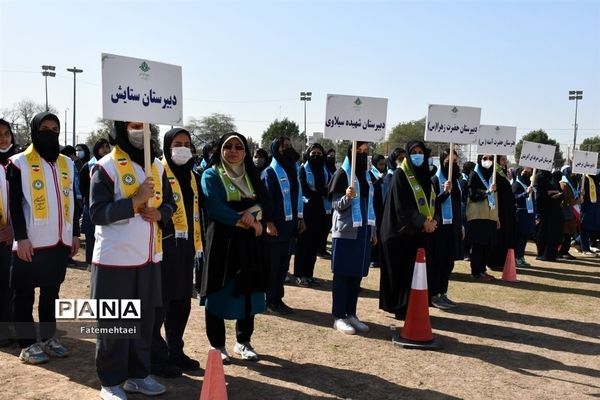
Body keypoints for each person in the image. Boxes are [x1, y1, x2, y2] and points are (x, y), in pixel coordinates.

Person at [90, 121, 176, 399]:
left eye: (145, 126)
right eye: (134, 125)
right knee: (115, 323)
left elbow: (171, 203)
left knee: (144, 321)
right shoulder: (105, 166)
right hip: (115, 260)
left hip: (150, 257)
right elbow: (96, 214)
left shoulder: (158, 166)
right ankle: (111, 382)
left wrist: (161, 213)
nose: (141, 131)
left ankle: (138, 375)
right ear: (121, 128)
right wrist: (135, 201)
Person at [7, 112, 80, 364]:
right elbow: (15, 205)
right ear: (35, 131)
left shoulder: (67, 164)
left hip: (59, 240)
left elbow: (72, 200)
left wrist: (74, 234)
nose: (50, 132)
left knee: (51, 293)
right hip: (31, 241)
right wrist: (21, 237)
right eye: (44, 128)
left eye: (54, 128)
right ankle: (27, 344)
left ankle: (49, 338)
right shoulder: (19, 162)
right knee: (24, 293)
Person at [201, 132, 269, 362]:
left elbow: (264, 203)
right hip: (222, 240)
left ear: (245, 151)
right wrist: (246, 219)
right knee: (218, 290)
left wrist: (252, 215)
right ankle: (217, 346)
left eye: (238, 147)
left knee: (248, 289)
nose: (233, 151)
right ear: (220, 149)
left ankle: (243, 341)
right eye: (228, 146)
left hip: (249, 242)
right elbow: (213, 206)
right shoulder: (211, 174)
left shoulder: (252, 174)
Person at [151, 128, 203, 378]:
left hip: (186, 247)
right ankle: (156, 356)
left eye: (187, 144)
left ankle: (175, 350)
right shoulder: (157, 170)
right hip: (162, 245)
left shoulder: (193, 175)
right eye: (177, 143)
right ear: (166, 146)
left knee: (181, 302)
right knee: (161, 303)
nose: (182, 148)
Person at [379, 141, 437, 320]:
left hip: (417, 233)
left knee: (415, 272)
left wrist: (434, 221)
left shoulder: (425, 175)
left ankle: (415, 304)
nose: (418, 155)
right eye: (414, 152)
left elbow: (431, 202)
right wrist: (422, 222)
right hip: (399, 233)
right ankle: (400, 307)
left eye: (421, 152)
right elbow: (402, 207)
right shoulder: (400, 175)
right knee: (401, 273)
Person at [328, 142, 376, 334]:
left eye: (365, 151)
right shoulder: (342, 173)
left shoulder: (367, 175)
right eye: (359, 151)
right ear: (351, 152)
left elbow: (371, 204)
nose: (362, 154)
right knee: (342, 275)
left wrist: (373, 231)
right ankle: (338, 316)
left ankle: (351, 314)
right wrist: (347, 197)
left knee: (356, 276)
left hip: (363, 232)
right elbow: (335, 204)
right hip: (346, 231)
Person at [261, 137, 305, 314]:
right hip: (275, 226)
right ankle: (270, 300)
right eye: (283, 147)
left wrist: (300, 219)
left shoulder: (292, 170)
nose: (287, 150)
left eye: (289, 146)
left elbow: (297, 196)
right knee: (272, 265)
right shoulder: (270, 173)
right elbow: (265, 201)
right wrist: (269, 222)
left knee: (283, 266)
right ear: (274, 149)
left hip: (289, 226)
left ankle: (278, 298)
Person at [430, 148, 463, 309]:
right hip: (440, 228)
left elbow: (458, 204)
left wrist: (461, 225)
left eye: (455, 162)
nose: (453, 165)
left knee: (449, 262)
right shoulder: (435, 180)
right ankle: (434, 294)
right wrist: (445, 192)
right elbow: (433, 203)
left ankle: (443, 292)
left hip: (453, 227)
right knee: (438, 262)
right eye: (449, 162)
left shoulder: (456, 180)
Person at [294, 143, 330, 287]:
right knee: (303, 245)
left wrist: (322, 192)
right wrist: (321, 192)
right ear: (308, 154)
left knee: (313, 245)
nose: (316, 156)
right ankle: (299, 275)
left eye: (319, 154)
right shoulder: (302, 169)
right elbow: (304, 191)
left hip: (320, 211)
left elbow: (329, 187)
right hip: (306, 211)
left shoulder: (324, 170)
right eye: (313, 153)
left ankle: (309, 275)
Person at [79, 138, 111, 270]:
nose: (105, 150)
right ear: (97, 149)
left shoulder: (112, 165)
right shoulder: (88, 166)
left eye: (107, 147)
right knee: (91, 235)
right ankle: (89, 263)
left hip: (107, 206)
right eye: (102, 147)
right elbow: (82, 186)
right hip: (91, 206)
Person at [465, 154, 498, 280]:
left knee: (488, 245)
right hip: (477, 215)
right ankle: (476, 271)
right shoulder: (474, 174)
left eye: (490, 158)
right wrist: (487, 192)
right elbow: (473, 196)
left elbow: (496, 198)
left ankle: (482, 270)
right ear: (479, 159)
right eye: (485, 158)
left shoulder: (493, 176)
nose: (488, 161)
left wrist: (497, 217)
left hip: (491, 216)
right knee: (478, 245)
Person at [0, 119, 14, 347]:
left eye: (6, 133)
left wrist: (16, 229)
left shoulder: (18, 162)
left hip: (16, 235)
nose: (3, 138)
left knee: (13, 285)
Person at [489, 155, 516, 270]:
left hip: (507, 211)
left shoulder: (503, 173)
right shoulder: (495, 174)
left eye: (505, 159)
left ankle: (503, 261)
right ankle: (495, 261)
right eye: (502, 159)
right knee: (499, 236)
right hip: (499, 210)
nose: (505, 161)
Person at [534, 170, 564, 262]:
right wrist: (549, 192)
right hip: (544, 210)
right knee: (544, 231)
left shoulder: (553, 177)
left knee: (554, 232)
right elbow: (537, 193)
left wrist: (559, 194)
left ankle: (552, 254)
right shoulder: (538, 177)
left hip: (555, 210)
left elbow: (559, 191)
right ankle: (543, 253)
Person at [512, 167, 536, 266]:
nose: (528, 173)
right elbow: (514, 198)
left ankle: (521, 256)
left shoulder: (529, 185)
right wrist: (525, 194)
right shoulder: (516, 184)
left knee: (525, 237)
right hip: (520, 214)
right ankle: (516, 257)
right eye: (525, 171)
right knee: (519, 237)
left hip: (529, 214)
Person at [558, 166, 581, 259]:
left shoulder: (571, 183)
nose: (574, 174)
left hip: (570, 211)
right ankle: (562, 251)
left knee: (569, 232)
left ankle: (565, 251)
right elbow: (564, 200)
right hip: (565, 212)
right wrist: (576, 201)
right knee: (566, 233)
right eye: (572, 172)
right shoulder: (563, 184)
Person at [368, 154, 386, 268]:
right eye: (380, 164)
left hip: (382, 208)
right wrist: (379, 181)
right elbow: (370, 188)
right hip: (373, 207)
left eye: (384, 164)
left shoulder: (386, 174)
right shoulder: (370, 174)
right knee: (374, 232)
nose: (383, 167)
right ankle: (372, 258)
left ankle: (379, 257)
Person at [580, 170, 600, 255]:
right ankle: (583, 247)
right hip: (586, 208)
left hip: (594, 208)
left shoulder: (595, 183)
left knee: (592, 227)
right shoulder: (586, 180)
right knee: (585, 227)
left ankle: (586, 245)